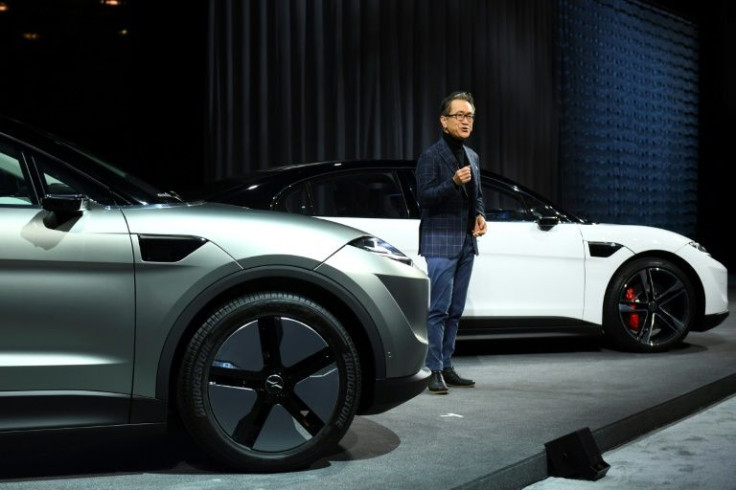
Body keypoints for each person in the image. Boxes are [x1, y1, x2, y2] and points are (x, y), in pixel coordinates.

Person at [416, 91, 487, 394]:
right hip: (440, 241)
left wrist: (481, 215)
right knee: (439, 310)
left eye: (469, 115)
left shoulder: (473, 156)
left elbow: (478, 195)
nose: (465, 120)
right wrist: (453, 182)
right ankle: (432, 370)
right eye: (459, 115)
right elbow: (424, 197)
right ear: (444, 122)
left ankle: (447, 365)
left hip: (466, 243)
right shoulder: (431, 156)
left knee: (456, 310)